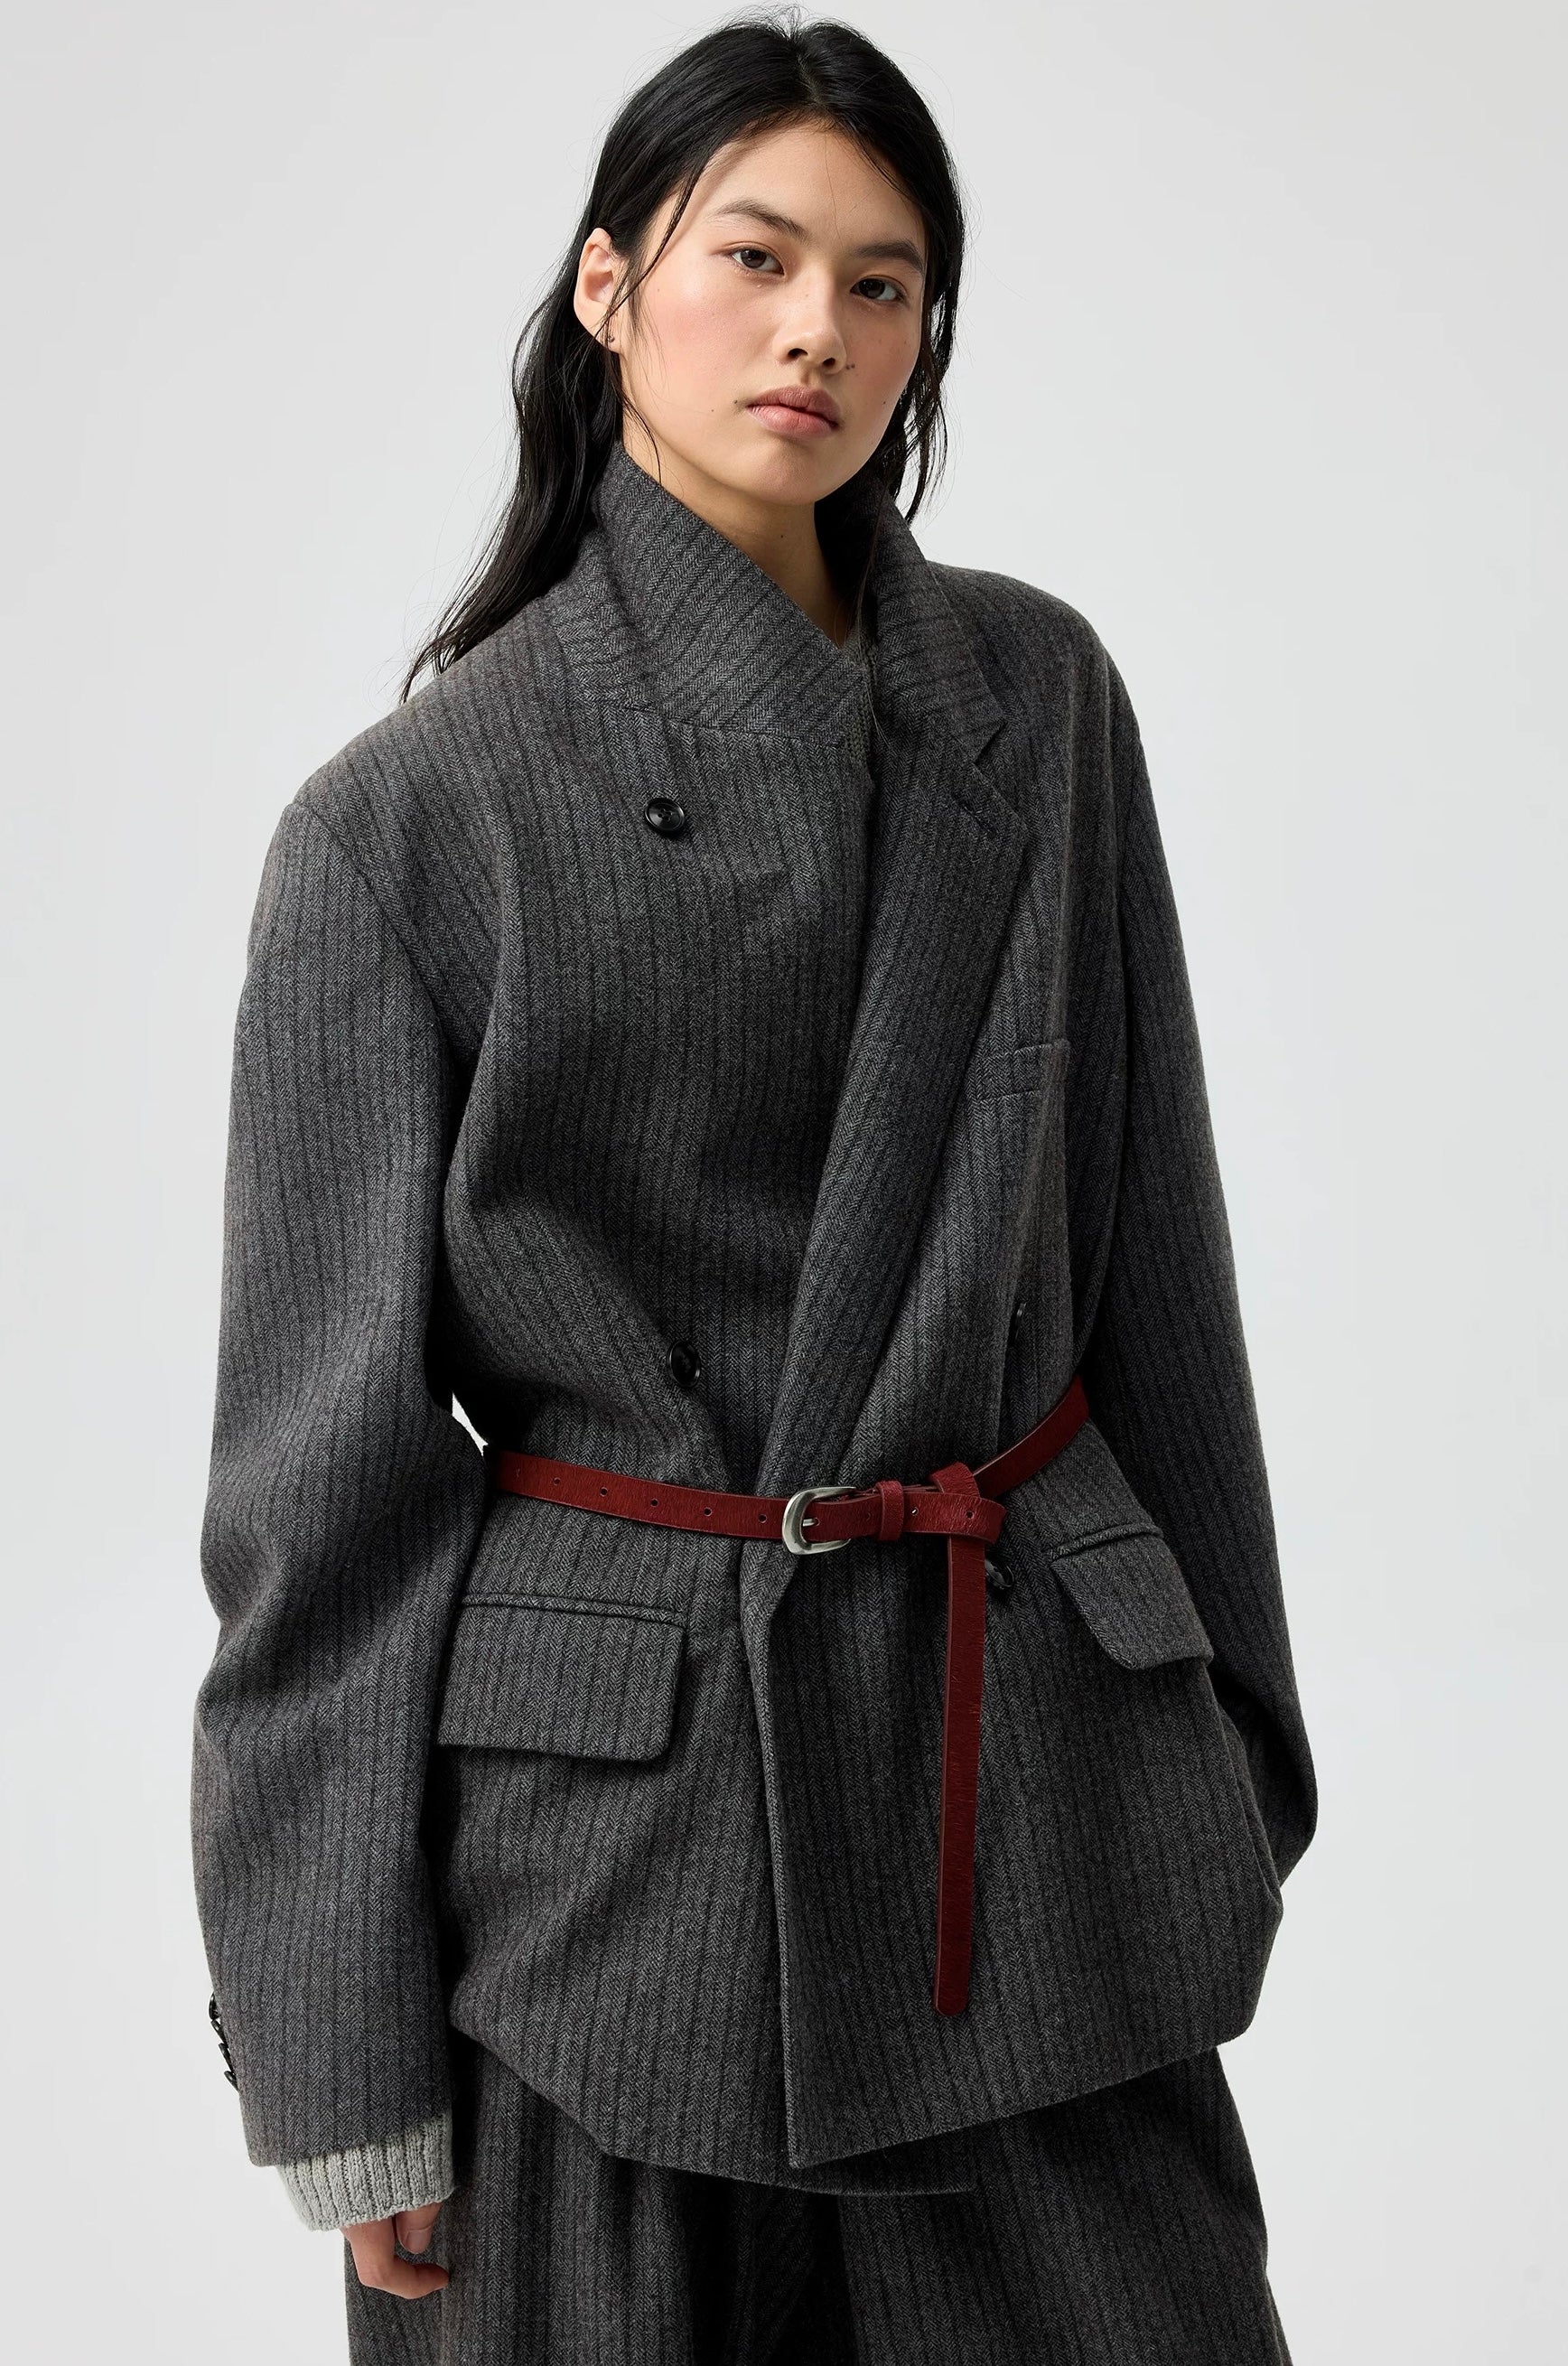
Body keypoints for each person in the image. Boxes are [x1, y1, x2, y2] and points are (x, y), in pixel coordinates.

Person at [191, 13, 1318, 2361]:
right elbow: (329, 1500)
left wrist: (1227, 1756)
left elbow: (1155, 1269)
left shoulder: (1039, 701)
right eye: (759, 257)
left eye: (885, 285)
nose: (820, 331)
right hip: (606, 1893)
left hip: (1030, 1811)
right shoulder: (407, 825)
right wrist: (345, 2058)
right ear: (610, 285)